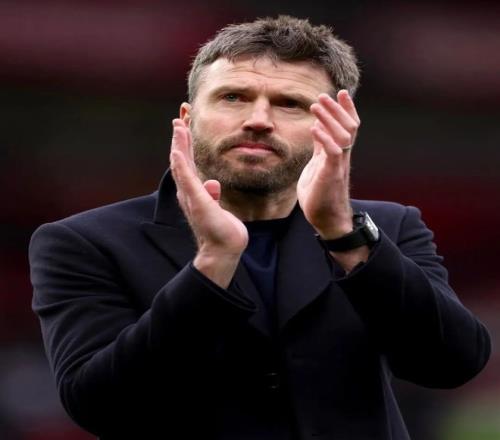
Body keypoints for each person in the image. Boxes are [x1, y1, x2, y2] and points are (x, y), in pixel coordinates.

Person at [29, 16, 490, 440]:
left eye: (290, 104)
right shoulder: (84, 242)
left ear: (336, 127)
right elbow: (99, 405)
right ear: (187, 118)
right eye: (233, 97)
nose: (258, 120)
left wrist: (343, 235)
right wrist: (212, 265)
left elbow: (452, 363)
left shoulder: (387, 227)